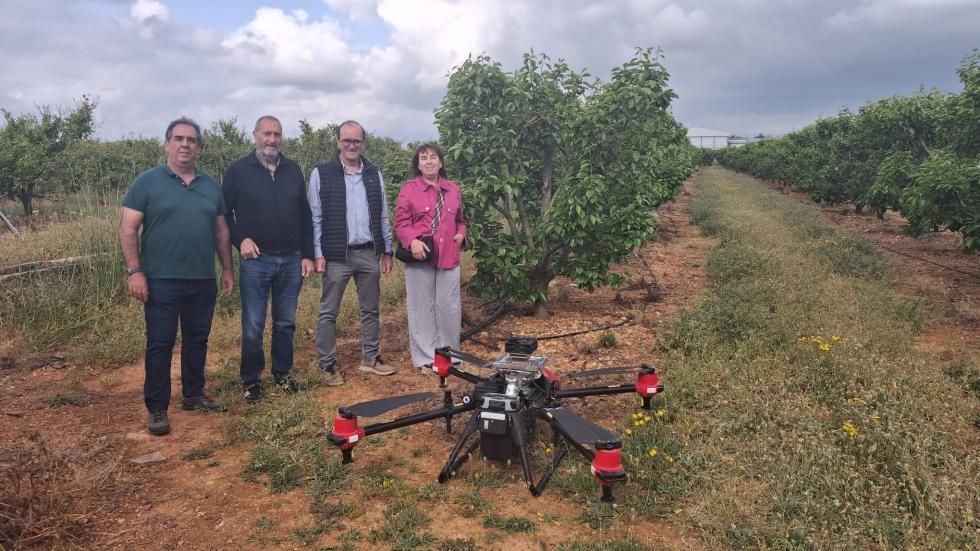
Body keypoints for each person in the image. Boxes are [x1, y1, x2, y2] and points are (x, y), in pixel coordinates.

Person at [119, 117, 234, 436]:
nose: (185, 144)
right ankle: (157, 408)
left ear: (199, 147)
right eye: (179, 139)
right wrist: (135, 271)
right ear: (167, 143)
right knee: (160, 343)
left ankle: (194, 395)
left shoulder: (210, 185)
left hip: (201, 279)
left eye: (192, 140)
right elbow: (128, 228)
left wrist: (226, 269)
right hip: (160, 280)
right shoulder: (147, 182)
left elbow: (221, 231)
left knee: (197, 339)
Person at [222, 116, 315, 403]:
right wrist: (241, 240)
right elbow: (224, 215)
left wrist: (308, 254)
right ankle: (251, 380)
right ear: (255, 135)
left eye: (277, 134)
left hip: (291, 258)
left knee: (285, 321)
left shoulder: (292, 169)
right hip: (256, 260)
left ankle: (283, 374)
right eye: (267, 134)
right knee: (253, 323)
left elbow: (305, 216)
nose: (272, 139)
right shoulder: (238, 171)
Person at [308, 120, 396, 386]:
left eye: (356, 141)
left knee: (370, 309)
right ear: (337, 142)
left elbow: (382, 214)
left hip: (368, 252)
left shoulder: (373, 173)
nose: (351, 145)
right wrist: (317, 253)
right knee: (328, 312)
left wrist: (388, 250)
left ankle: (370, 358)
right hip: (336, 255)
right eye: (346, 140)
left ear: (363, 144)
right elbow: (315, 216)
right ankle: (327, 364)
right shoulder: (321, 173)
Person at [395, 143, 467, 371]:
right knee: (421, 306)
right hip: (421, 255)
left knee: (449, 306)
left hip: (448, 256)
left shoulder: (452, 189)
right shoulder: (409, 189)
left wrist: (461, 235)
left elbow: (461, 220)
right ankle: (426, 357)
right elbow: (401, 223)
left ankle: (449, 355)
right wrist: (413, 241)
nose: (428, 161)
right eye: (423, 158)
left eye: (433, 157)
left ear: (441, 162)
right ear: (418, 164)